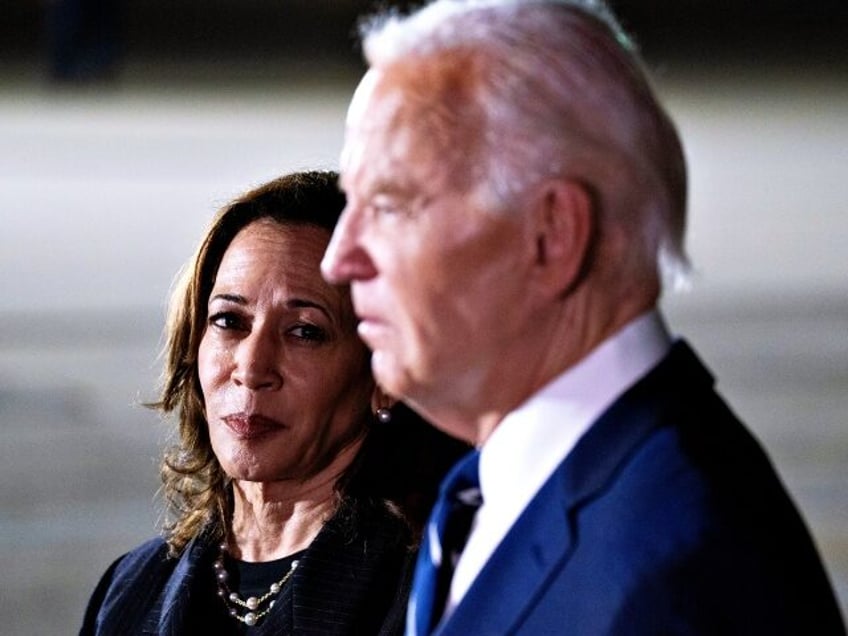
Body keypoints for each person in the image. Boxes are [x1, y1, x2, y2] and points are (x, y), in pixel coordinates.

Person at [320, 1, 847, 634]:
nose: (338, 259)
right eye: (351, 202)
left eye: (390, 204)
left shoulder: (674, 585)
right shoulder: (504, 481)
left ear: (552, 234)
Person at [80, 170, 467, 635]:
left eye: (305, 331)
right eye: (228, 320)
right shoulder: (129, 591)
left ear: (384, 372)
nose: (252, 367)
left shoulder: (433, 594)